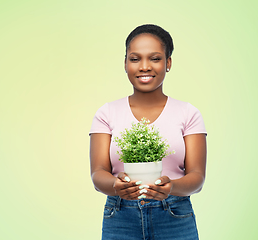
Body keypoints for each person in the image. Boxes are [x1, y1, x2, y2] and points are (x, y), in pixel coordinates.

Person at [89, 24, 207, 240]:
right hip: (120, 216)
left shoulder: (188, 113)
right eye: (135, 59)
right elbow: (98, 173)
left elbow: (197, 177)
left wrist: (170, 188)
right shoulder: (106, 113)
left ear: (168, 63)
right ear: (125, 63)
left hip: (175, 216)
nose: (144, 66)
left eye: (155, 58)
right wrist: (116, 187)